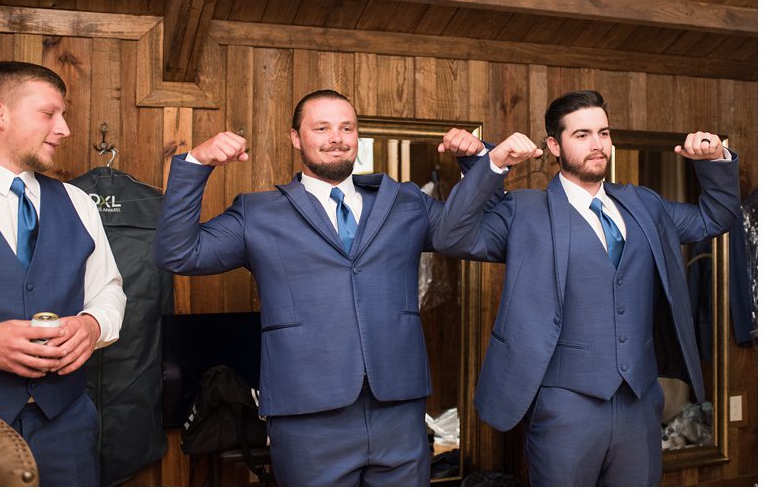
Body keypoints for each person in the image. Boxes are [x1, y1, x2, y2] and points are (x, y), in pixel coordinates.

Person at [154, 89, 485, 486]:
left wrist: (478, 162)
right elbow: (179, 253)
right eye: (322, 128)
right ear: (296, 138)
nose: (337, 138)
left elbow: (472, 234)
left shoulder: (406, 201)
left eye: (347, 127)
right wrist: (197, 163)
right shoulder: (257, 213)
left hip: (398, 411)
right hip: (307, 418)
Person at [434, 90, 740, 486]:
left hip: (640, 403)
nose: (597, 144)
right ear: (554, 146)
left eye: (603, 133)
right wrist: (493, 163)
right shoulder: (525, 211)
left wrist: (715, 160)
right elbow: (451, 236)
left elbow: (715, 218)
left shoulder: (645, 205)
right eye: (582, 135)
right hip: (564, 408)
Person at [0, 61, 127, 486]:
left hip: (67, 428)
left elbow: (109, 291)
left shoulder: (78, 202)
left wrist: (93, 325)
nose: (64, 129)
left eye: (64, 115)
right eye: (48, 113)